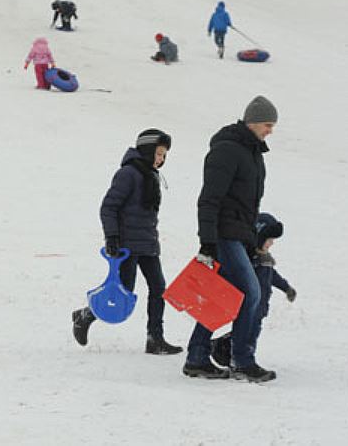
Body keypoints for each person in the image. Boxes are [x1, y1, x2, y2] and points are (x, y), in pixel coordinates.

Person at [184, 96, 278, 382]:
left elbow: (248, 203)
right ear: (252, 122)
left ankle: (197, 358)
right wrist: (208, 241)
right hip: (225, 234)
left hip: (241, 235)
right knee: (251, 293)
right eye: (267, 124)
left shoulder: (253, 154)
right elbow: (209, 199)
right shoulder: (227, 150)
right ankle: (242, 360)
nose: (270, 131)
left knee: (221, 297)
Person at [72, 130, 182, 354]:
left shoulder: (150, 175)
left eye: (164, 156)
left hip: (148, 245)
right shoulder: (128, 174)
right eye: (159, 154)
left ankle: (155, 338)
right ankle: (85, 315)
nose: (161, 159)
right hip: (127, 246)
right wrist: (112, 237)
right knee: (122, 292)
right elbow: (109, 207)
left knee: (159, 288)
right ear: (148, 150)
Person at [210, 213, 295, 369]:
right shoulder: (249, 260)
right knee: (246, 336)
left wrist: (286, 288)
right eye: (269, 240)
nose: (271, 244)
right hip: (250, 307)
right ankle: (242, 358)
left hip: (261, 308)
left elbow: (273, 277)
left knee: (251, 335)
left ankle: (234, 352)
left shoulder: (266, 260)